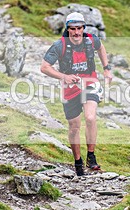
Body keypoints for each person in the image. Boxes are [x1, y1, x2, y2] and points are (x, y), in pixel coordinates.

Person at [41, 12, 113, 176]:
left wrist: (107, 69)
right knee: (74, 127)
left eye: (79, 28)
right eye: (72, 29)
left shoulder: (90, 40)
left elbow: (101, 47)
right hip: (70, 88)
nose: (76, 32)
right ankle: (78, 162)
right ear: (68, 29)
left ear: (83, 28)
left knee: (90, 117)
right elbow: (44, 67)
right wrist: (64, 76)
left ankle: (91, 157)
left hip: (90, 82)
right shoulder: (60, 45)